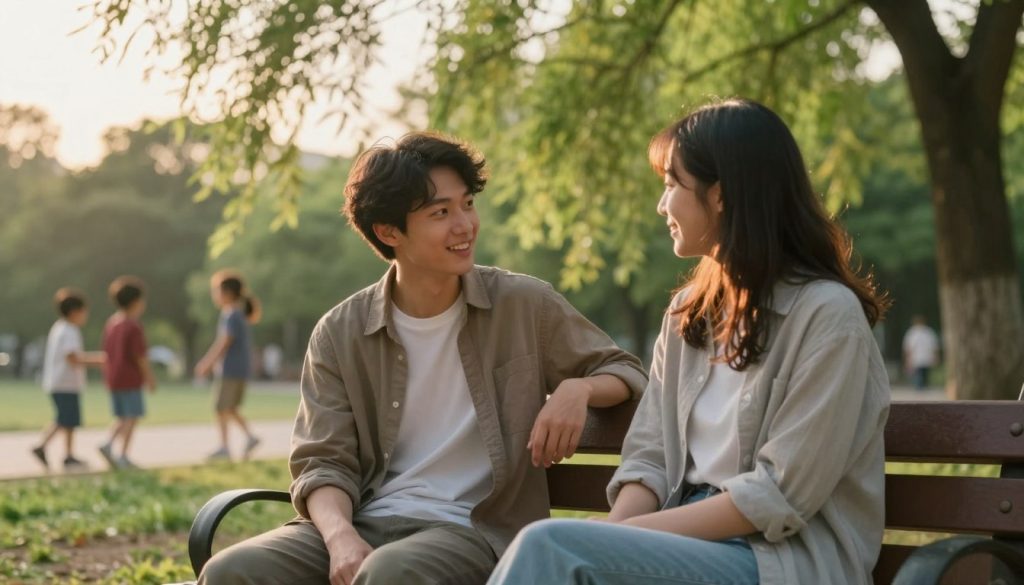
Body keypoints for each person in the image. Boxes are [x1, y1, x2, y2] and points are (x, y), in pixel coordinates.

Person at [198, 131, 648, 585]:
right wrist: (340, 539)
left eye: (467, 204)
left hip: (473, 529)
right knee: (231, 571)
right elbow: (322, 463)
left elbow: (627, 370)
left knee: (390, 572)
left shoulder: (522, 304)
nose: (465, 225)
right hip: (362, 519)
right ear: (389, 232)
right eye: (441, 212)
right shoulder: (340, 332)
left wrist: (578, 387)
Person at [487, 99, 891, 585]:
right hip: (682, 540)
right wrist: (617, 536)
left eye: (671, 184)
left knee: (547, 544)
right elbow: (650, 458)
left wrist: (627, 538)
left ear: (719, 195)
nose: (662, 204)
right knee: (558, 550)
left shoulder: (827, 316)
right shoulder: (687, 315)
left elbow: (779, 495)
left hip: (779, 559)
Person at [30, 288, 106, 471]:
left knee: (67, 420)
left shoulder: (60, 328)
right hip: (64, 383)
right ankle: (46, 447)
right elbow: (73, 358)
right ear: (75, 311)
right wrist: (99, 360)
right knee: (66, 419)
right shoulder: (69, 331)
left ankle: (67, 454)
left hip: (61, 383)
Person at [194, 271, 261, 461]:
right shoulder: (238, 313)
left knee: (221, 407)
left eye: (217, 291)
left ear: (228, 293)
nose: (215, 295)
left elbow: (225, 342)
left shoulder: (231, 314)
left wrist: (207, 363)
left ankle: (224, 447)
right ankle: (250, 437)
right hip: (240, 369)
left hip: (230, 369)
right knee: (229, 407)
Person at [99, 276, 157, 470]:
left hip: (114, 377)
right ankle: (122, 454)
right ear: (136, 301)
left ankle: (108, 444)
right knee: (132, 416)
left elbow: (106, 353)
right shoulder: (133, 326)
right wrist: (149, 377)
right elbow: (139, 356)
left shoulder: (112, 324)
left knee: (122, 416)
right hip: (130, 379)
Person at [902, 315, 940, 390]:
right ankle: (920, 390)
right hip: (919, 358)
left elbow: (934, 346)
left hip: (924, 358)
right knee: (920, 377)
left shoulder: (925, 332)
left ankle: (921, 390)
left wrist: (907, 359)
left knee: (923, 376)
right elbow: (908, 348)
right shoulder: (914, 332)